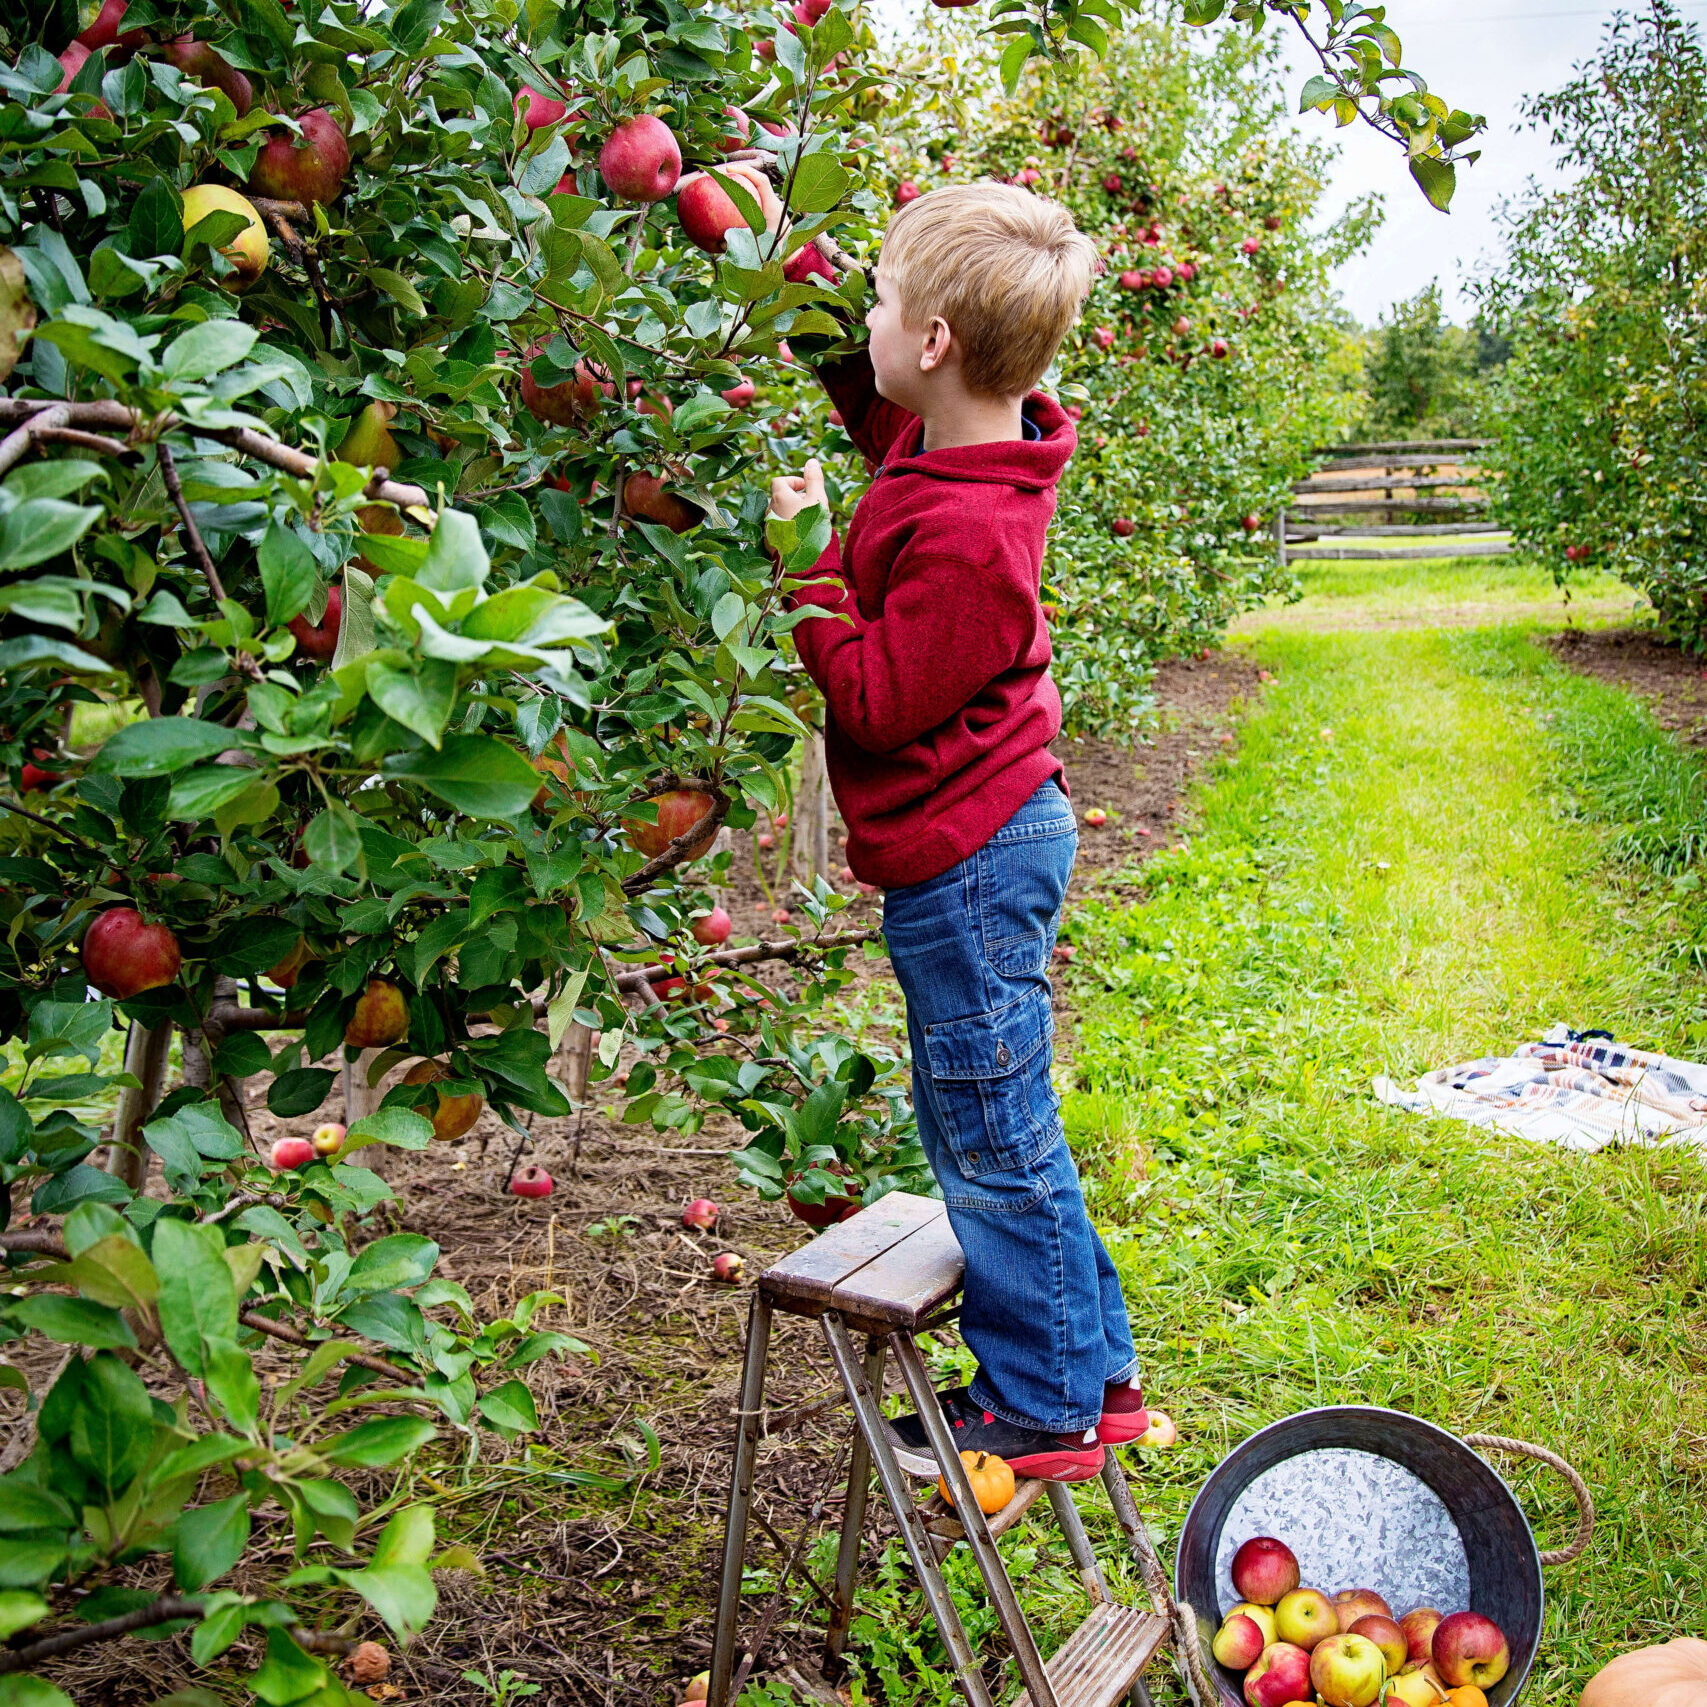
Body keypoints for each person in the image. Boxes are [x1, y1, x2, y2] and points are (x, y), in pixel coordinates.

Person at [766, 183, 1146, 1483]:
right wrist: (792, 248)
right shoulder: (952, 441)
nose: (864, 322)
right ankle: (1093, 1365)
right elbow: (865, 390)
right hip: (976, 839)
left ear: (932, 342)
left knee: (989, 1129)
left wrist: (807, 571)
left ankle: (1038, 1407)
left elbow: (872, 703)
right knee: (1002, 1115)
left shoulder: (974, 531)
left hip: (971, 858)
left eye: (881, 301)